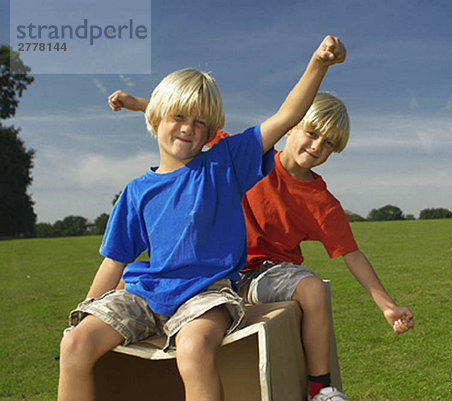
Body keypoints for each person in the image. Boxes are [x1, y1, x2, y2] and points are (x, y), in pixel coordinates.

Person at [58, 35, 346, 401]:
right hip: (146, 294)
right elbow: (114, 261)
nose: (188, 128)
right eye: (179, 116)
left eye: (200, 122)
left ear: (210, 132)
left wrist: (318, 64)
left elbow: (286, 116)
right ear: (156, 118)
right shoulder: (135, 191)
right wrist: (89, 309)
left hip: (206, 294)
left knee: (193, 350)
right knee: (75, 343)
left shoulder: (224, 163)